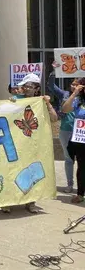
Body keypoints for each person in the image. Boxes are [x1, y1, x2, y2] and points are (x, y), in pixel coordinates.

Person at [3, 73, 59, 213]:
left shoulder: (41, 101)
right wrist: (9, 103)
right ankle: (8, 201)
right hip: (18, 143)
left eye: (29, 86)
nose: (26, 89)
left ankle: (31, 201)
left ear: (36, 88)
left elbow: (54, 118)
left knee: (32, 172)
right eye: (24, 86)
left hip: (35, 144)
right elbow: (5, 113)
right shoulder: (17, 100)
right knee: (13, 170)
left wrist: (48, 104)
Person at [48, 64, 79, 193]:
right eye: (72, 84)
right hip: (66, 131)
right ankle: (69, 184)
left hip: (80, 132)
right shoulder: (64, 94)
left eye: (77, 84)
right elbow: (51, 86)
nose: (74, 86)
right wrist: (54, 71)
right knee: (68, 159)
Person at [62, 78, 85, 203]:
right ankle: (80, 193)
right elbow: (65, 109)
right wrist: (75, 93)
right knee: (82, 167)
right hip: (80, 140)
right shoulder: (78, 101)